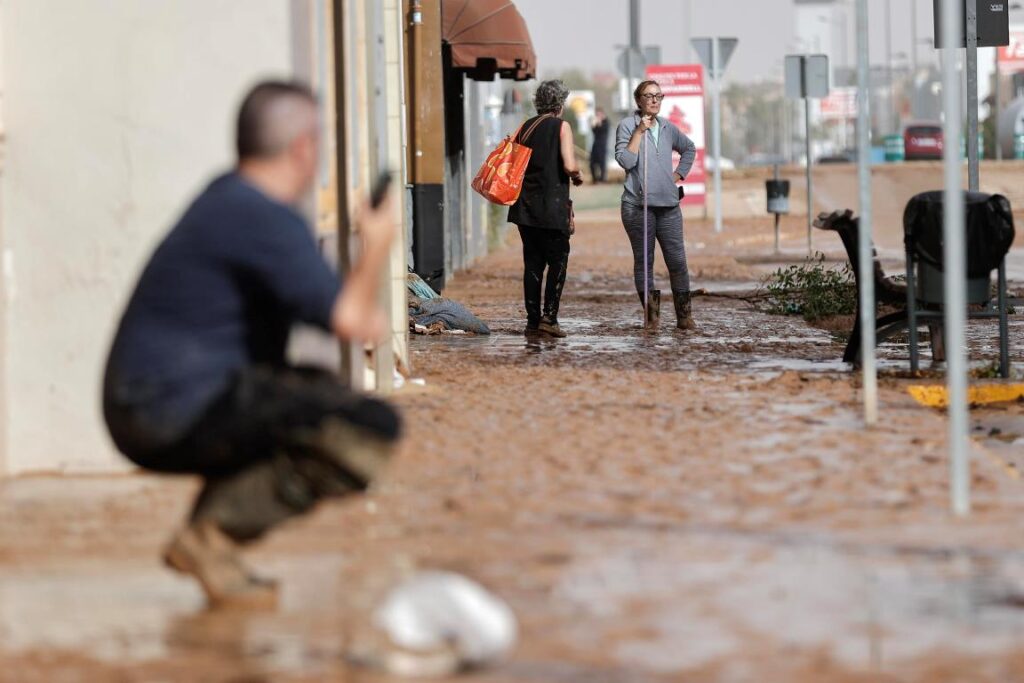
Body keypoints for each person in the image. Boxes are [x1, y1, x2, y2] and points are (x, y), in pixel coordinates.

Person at [103, 81, 400, 608]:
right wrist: (376, 245)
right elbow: (353, 321)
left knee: (312, 394)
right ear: (303, 147)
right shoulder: (260, 215)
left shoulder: (231, 200)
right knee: (363, 426)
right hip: (167, 409)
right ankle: (210, 536)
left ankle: (212, 549)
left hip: (151, 402)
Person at [615, 79, 698, 331]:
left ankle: (684, 317)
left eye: (658, 96)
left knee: (677, 261)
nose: (654, 100)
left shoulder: (668, 128)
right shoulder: (627, 126)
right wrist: (640, 131)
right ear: (638, 100)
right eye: (648, 96)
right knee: (645, 261)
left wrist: (676, 176)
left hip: (669, 206)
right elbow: (625, 161)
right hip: (638, 206)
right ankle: (652, 318)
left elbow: (689, 149)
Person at [507, 79, 584, 338]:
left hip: (525, 207)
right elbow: (569, 165)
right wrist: (578, 175)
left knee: (532, 263)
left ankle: (532, 321)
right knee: (558, 260)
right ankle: (549, 318)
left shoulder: (525, 128)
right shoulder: (562, 127)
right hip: (552, 206)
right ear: (560, 104)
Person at [589, 108, 610, 184]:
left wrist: (599, 123)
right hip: (595, 145)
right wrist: (593, 125)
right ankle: (595, 179)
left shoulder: (606, 122)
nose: (597, 116)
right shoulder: (597, 123)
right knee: (592, 163)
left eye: (598, 114)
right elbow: (594, 131)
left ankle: (602, 179)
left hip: (602, 145)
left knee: (602, 163)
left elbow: (603, 129)